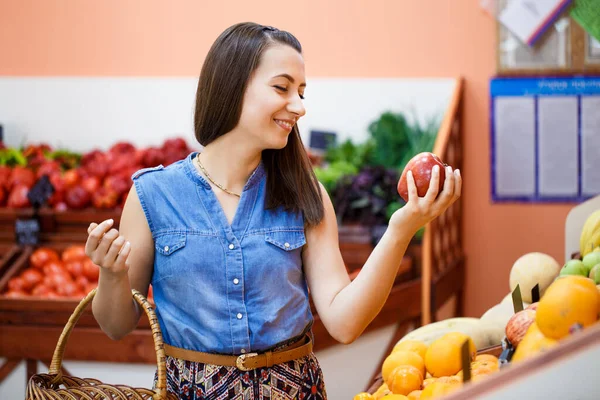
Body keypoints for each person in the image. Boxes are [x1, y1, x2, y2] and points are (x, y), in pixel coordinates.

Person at [85, 22, 461, 399]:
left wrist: (401, 230)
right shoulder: (153, 195)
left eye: (300, 91)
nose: (299, 106)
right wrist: (112, 274)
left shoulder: (304, 193)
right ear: (232, 87)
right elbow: (116, 326)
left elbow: (344, 323)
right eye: (282, 88)